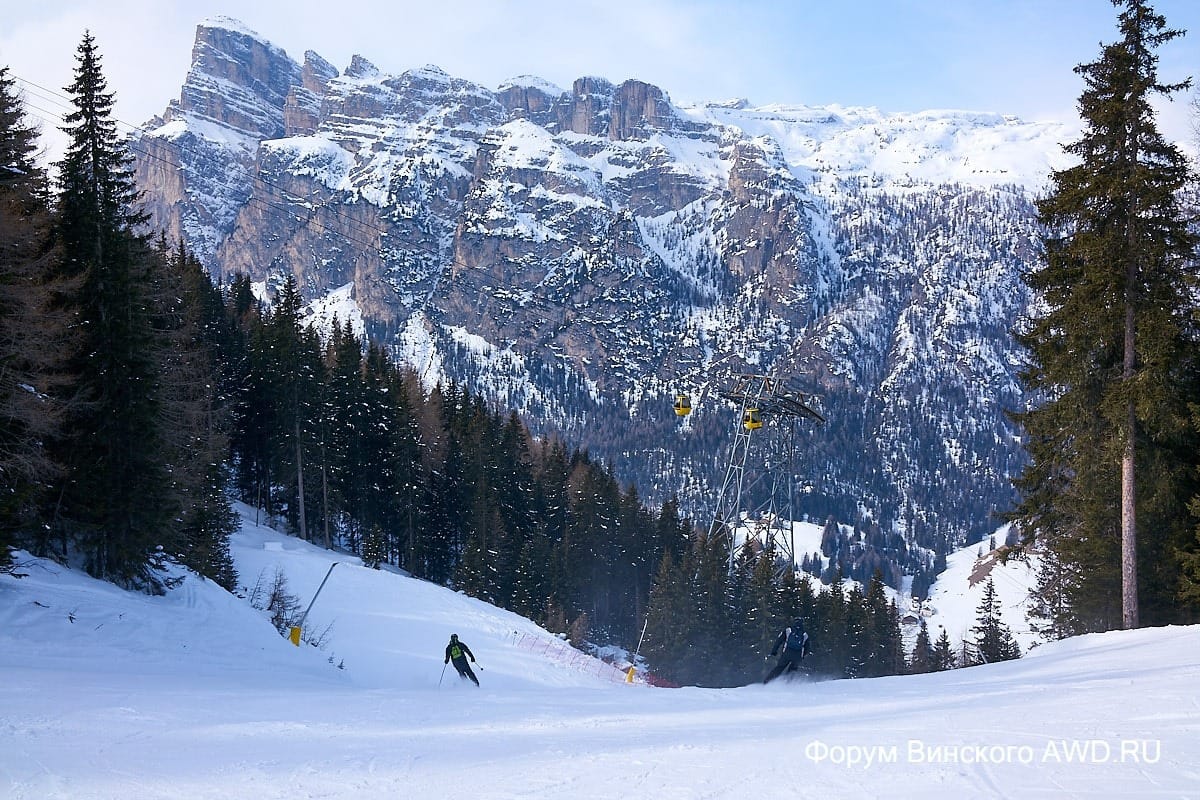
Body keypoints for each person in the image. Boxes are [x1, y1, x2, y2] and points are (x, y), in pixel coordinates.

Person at [763, 618, 809, 684]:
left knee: (779, 668)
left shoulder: (788, 630)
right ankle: (788, 685)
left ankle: (767, 682)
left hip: (786, 653)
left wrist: (774, 651)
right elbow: (807, 648)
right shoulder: (805, 634)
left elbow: (778, 641)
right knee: (792, 670)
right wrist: (802, 656)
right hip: (797, 656)